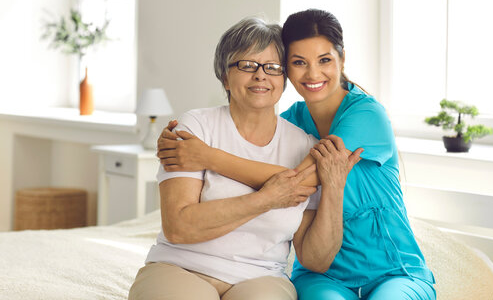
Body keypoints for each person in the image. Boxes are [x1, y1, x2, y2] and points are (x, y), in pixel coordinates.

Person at [157, 9, 436, 299]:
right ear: (287, 70)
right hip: (322, 273)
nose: (313, 74)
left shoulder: (366, 115)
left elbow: (299, 183)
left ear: (342, 59)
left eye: (324, 60)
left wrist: (207, 157)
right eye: (299, 62)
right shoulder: (293, 125)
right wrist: (174, 143)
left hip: (389, 269)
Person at [129, 16, 361, 300]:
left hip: (262, 278)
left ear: (283, 79)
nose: (260, 75)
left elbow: (315, 259)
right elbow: (179, 227)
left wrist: (334, 187)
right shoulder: (195, 128)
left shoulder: (305, 146)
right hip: (180, 267)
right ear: (225, 76)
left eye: (272, 67)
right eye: (247, 65)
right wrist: (266, 199)